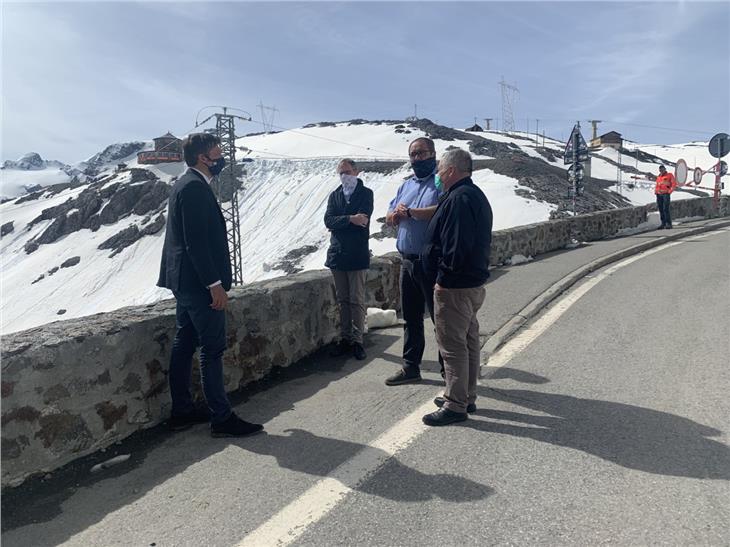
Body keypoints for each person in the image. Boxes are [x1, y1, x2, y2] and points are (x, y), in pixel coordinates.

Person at [158, 133, 263, 437]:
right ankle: (221, 417)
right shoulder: (192, 188)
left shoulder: (186, 184)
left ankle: (183, 411)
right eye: (218, 152)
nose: (221, 157)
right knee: (212, 347)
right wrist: (214, 284)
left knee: (185, 342)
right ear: (203, 157)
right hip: (198, 284)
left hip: (184, 282)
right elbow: (196, 243)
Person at [420, 149, 493, 426]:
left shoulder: (460, 198)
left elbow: (456, 246)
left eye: (440, 169)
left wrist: (442, 277)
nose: (437, 174)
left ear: (451, 170)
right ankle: (465, 395)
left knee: (452, 345)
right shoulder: (471, 195)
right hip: (470, 283)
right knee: (468, 341)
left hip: (455, 286)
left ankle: (455, 404)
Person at [384, 137, 443, 386]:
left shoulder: (440, 182)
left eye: (422, 153)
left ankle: (448, 371)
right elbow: (388, 216)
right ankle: (411, 367)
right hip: (406, 261)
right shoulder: (406, 185)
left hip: (431, 261)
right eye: (413, 155)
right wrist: (395, 216)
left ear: (432, 154)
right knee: (411, 317)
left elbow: (442, 210)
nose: (417, 159)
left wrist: (411, 213)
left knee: (440, 319)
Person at [324, 159, 374, 361]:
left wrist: (340, 222)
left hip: (356, 255)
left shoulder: (366, 193)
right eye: (341, 173)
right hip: (337, 255)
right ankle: (345, 338)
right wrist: (350, 219)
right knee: (343, 300)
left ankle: (358, 340)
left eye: (347, 172)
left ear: (356, 171)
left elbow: (364, 219)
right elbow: (328, 220)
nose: (344, 176)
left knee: (356, 300)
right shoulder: (335, 195)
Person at [655, 165, 677, 229]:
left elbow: (673, 184)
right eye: (660, 170)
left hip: (666, 194)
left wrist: (669, 192)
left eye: (662, 169)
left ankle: (668, 223)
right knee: (661, 209)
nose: (661, 171)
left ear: (665, 169)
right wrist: (656, 192)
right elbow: (657, 185)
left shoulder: (669, 175)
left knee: (665, 209)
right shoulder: (659, 177)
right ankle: (663, 223)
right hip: (659, 195)